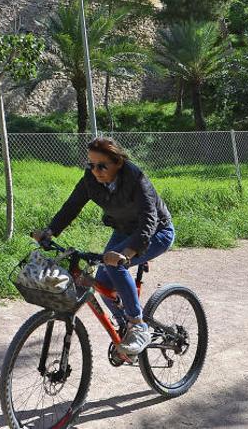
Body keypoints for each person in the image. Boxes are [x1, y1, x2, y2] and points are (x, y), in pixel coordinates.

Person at [33, 137, 174, 356]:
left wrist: (128, 252)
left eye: (102, 165)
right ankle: (124, 325)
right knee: (102, 281)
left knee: (115, 266)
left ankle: (138, 326)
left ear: (117, 162)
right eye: (91, 164)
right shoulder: (91, 179)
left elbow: (149, 218)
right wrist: (50, 231)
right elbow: (72, 206)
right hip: (123, 229)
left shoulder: (135, 178)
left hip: (157, 232)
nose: (95, 170)